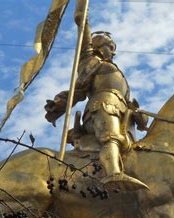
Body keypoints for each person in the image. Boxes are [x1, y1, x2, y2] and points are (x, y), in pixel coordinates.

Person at [44, 14, 149, 191]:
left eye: (114, 47)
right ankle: (113, 174)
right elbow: (85, 45)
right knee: (111, 137)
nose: (113, 51)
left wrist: (139, 115)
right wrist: (83, 21)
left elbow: (131, 105)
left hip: (123, 114)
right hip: (102, 107)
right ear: (99, 47)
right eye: (110, 46)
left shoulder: (117, 72)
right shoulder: (92, 62)